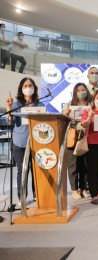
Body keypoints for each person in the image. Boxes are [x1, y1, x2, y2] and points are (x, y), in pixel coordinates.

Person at [6, 77, 44, 206]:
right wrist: (9, 107)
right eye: (26, 85)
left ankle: (36, 195)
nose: (28, 88)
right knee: (22, 171)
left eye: (31, 85)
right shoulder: (16, 104)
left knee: (36, 171)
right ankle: (22, 197)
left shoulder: (40, 104)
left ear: (34, 88)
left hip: (37, 142)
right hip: (20, 142)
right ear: (21, 89)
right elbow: (10, 121)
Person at [62, 83, 91, 199]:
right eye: (78, 90)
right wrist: (66, 115)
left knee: (85, 165)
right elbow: (63, 120)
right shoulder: (69, 104)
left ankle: (84, 188)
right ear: (74, 92)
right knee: (73, 164)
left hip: (86, 136)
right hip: (72, 136)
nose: (81, 92)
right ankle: (74, 189)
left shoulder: (90, 105)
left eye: (83, 90)